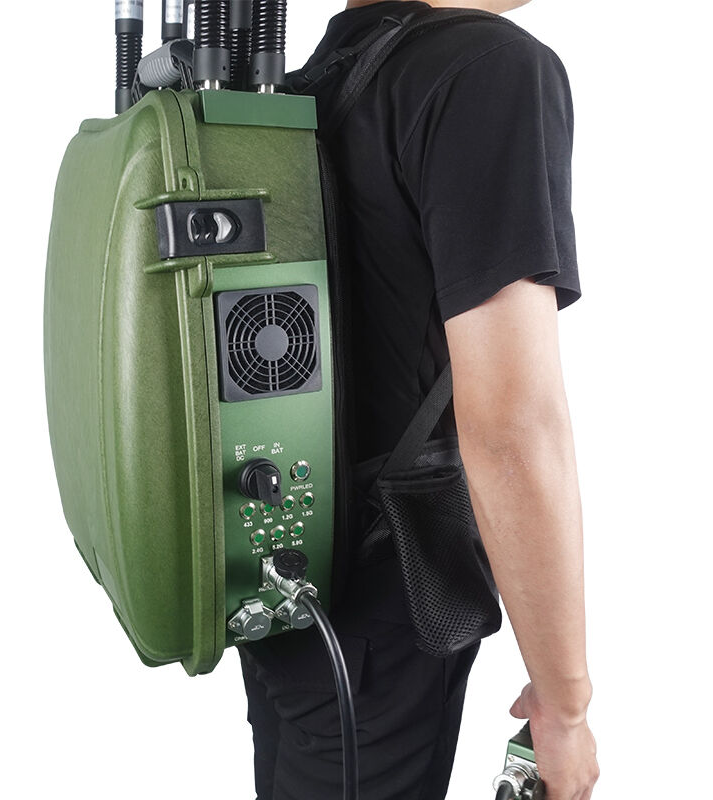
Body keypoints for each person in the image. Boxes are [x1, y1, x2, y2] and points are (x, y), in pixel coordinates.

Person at [237, 1, 600, 798]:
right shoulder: (488, 69)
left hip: (287, 584)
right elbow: (511, 430)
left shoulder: (310, 82)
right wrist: (564, 704)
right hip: (388, 603)